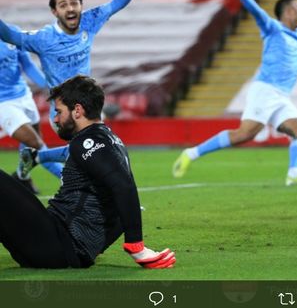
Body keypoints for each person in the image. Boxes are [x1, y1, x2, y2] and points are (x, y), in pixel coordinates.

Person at [0, 75, 175, 269]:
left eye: (58, 112)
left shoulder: (88, 143)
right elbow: (115, 197)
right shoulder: (106, 139)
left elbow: (123, 186)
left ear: (77, 110)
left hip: (57, 243)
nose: (55, 119)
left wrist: (136, 245)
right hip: (59, 248)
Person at [0, 0, 151, 180]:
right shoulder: (44, 38)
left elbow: (116, 4)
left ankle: (38, 160)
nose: (70, 8)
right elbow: (11, 36)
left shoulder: (90, 21)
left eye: (74, 2)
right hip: (64, 109)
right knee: (98, 150)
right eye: (63, 5)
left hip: (89, 102)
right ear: (55, 11)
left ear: (81, 5)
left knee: (95, 152)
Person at [172, 0, 297, 186]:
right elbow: (257, 13)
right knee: (245, 134)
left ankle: (294, 173)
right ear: (288, 12)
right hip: (265, 90)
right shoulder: (273, 28)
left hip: (281, 96)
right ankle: (191, 153)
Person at [0, 30, 49, 193]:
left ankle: (22, 177)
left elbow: (27, 64)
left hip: (24, 95)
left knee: (35, 143)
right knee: (36, 143)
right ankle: (68, 178)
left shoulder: (9, 33)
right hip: (3, 103)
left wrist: (47, 85)